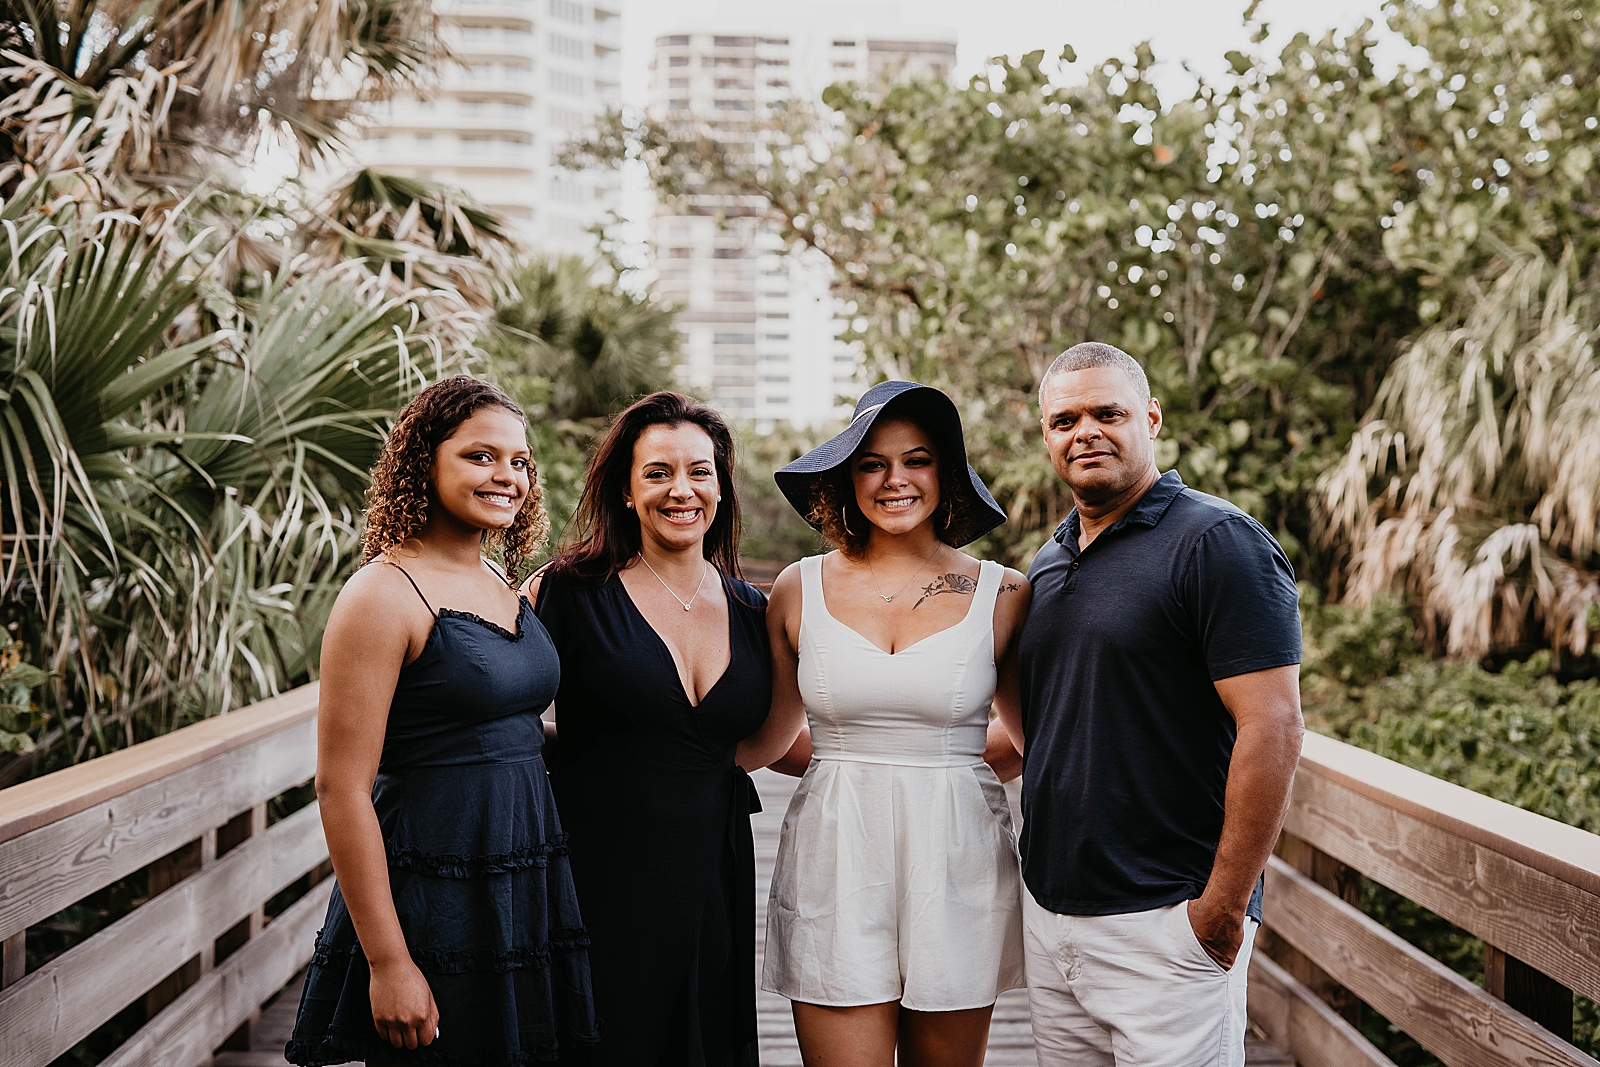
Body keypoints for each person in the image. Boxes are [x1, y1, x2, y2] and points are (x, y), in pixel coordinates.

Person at [997, 342, 1305, 1067]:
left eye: (1108, 412)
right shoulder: (1050, 559)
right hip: (1053, 917)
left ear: (1152, 419)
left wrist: (1221, 910)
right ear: (1046, 434)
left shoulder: (1217, 542)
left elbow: (1275, 724)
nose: (1086, 432)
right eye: (1064, 419)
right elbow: (1048, 725)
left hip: (1167, 921)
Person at [286, 376, 597, 1066]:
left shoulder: (495, 579)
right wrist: (389, 962)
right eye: (480, 456)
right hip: (434, 886)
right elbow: (341, 789)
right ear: (424, 460)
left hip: (521, 873)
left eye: (519, 461)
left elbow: (504, 729)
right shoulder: (381, 593)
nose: (506, 476)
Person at [739, 380, 1030, 1067]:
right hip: (835, 856)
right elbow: (773, 739)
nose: (895, 479)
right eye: (872, 463)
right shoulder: (796, 586)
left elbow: (1028, 742)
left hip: (959, 856)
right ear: (847, 479)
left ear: (946, 475)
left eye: (917, 459)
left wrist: (944, 761)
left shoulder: (1007, 592)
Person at [526, 392, 770, 1067]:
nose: (681, 489)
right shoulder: (566, 593)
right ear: (627, 492)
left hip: (714, 871)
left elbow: (791, 733)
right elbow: (492, 698)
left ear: (721, 487)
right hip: (597, 871)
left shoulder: (757, 610)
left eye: (699, 470)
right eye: (658, 472)